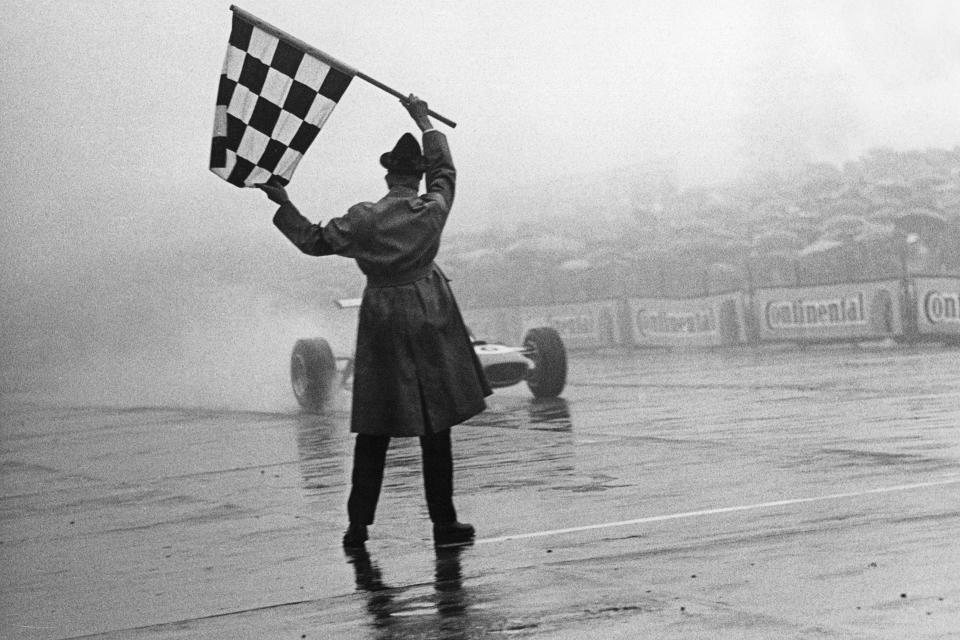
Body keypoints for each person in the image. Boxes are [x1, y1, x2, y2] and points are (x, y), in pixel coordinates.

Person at [258, 95, 491, 549]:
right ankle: (444, 523)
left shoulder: (364, 219)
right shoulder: (431, 210)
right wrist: (424, 121)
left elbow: (313, 241)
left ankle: (357, 526)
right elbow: (447, 174)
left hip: (382, 318)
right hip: (430, 314)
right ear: (417, 175)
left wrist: (284, 203)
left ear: (388, 175)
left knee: (375, 428)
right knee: (436, 426)